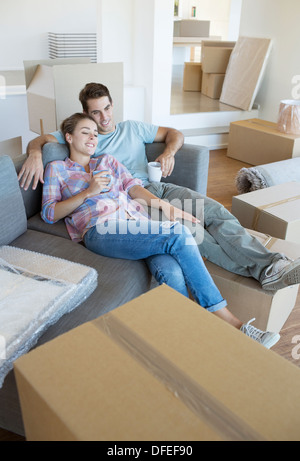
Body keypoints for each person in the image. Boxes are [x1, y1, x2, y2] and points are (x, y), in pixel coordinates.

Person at [19, 82, 300, 293]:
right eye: (95, 113)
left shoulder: (132, 128)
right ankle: (266, 271)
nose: (103, 118)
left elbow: (174, 133)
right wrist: (34, 153)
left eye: (106, 108)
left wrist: (169, 153)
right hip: (134, 202)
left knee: (213, 211)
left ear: (112, 105)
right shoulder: (83, 135)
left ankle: (271, 265)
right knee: (192, 232)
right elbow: (42, 140)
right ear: (85, 114)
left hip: (157, 188)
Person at [41, 112, 280, 349]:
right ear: (69, 137)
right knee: (178, 234)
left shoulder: (107, 161)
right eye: (86, 132)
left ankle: (186, 339)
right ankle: (232, 324)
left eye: (95, 133)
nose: (93, 137)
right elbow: (50, 213)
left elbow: (134, 189)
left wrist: (166, 207)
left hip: (136, 222)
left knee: (172, 270)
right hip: (100, 229)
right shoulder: (57, 169)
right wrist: (88, 192)